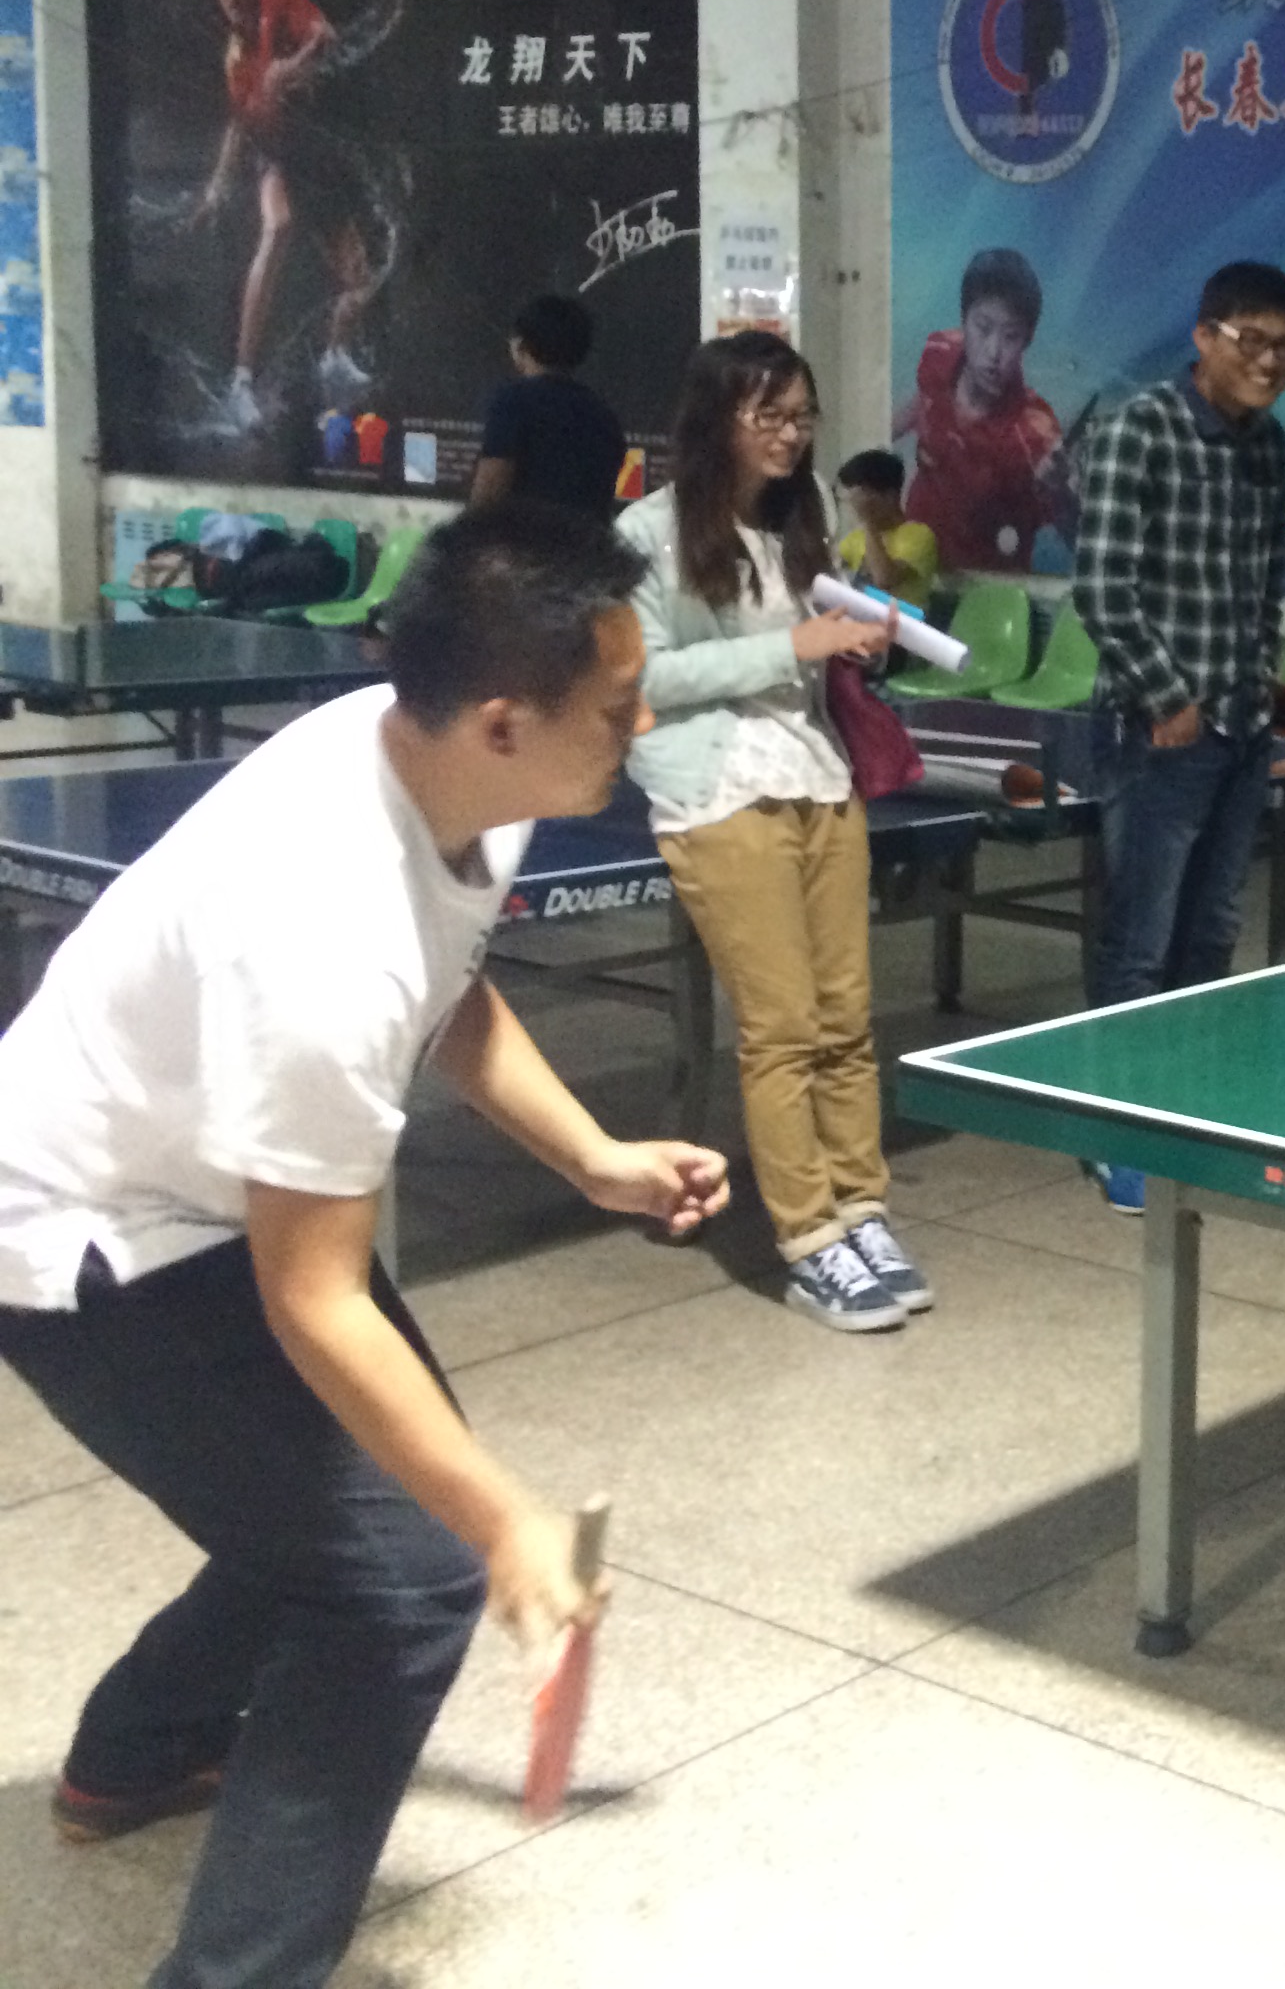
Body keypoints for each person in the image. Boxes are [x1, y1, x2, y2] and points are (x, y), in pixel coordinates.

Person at [0, 504, 728, 1989]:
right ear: (507, 720)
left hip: (200, 1181)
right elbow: (313, 1298)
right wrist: (506, 1526)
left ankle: (136, 1753)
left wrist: (592, 1156)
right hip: (80, 1237)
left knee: (353, 1515)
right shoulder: (322, 927)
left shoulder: (455, 771)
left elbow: (448, 982)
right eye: (619, 705)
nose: (642, 724)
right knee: (402, 1577)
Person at [619, 333, 916, 1331]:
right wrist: (790, 645)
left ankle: (863, 1210)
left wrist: (863, 641)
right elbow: (642, 676)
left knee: (847, 1019)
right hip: (716, 793)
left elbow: (824, 646)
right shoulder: (647, 532)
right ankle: (809, 1239)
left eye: (801, 416)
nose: (790, 436)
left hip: (820, 779)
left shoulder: (809, 511)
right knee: (782, 1027)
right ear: (718, 420)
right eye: (769, 417)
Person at [1072, 261, 1285, 1209]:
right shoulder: (1141, 428)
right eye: (1253, 341)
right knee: (1142, 942)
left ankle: (1188, 1119)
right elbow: (1100, 587)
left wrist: (1261, 698)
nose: (1270, 362)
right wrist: (1170, 698)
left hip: (1241, 729)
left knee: (1210, 940)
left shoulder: (1270, 444)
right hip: (1157, 732)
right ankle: (1114, 1132)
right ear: (1205, 337)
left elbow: (1262, 585)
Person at [195, 0, 383, 432]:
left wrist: (290, 68)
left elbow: (326, 36)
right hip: (274, 156)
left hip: (315, 153)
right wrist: (217, 184)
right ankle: (241, 382)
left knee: (361, 281)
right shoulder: (235, 56)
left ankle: (334, 355)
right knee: (278, 227)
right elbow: (239, 126)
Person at [893, 246, 1068, 573]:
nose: (993, 352)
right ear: (964, 322)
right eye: (983, 328)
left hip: (987, 585)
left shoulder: (1034, 433)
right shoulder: (939, 351)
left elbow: (1073, 533)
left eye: (1010, 336)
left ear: (1026, 341)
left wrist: (1059, 492)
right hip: (914, 569)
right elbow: (922, 402)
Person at [468, 291, 627, 520]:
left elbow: (489, 493)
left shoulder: (513, 402)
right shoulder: (603, 415)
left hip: (525, 538)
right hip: (585, 539)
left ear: (521, 346)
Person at [833, 448, 941, 616]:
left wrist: (868, 520)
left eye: (862, 496)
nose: (855, 507)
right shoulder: (855, 538)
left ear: (889, 496)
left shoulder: (919, 535)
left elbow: (884, 579)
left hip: (903, 625)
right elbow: (825, 567)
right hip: (861, 623)